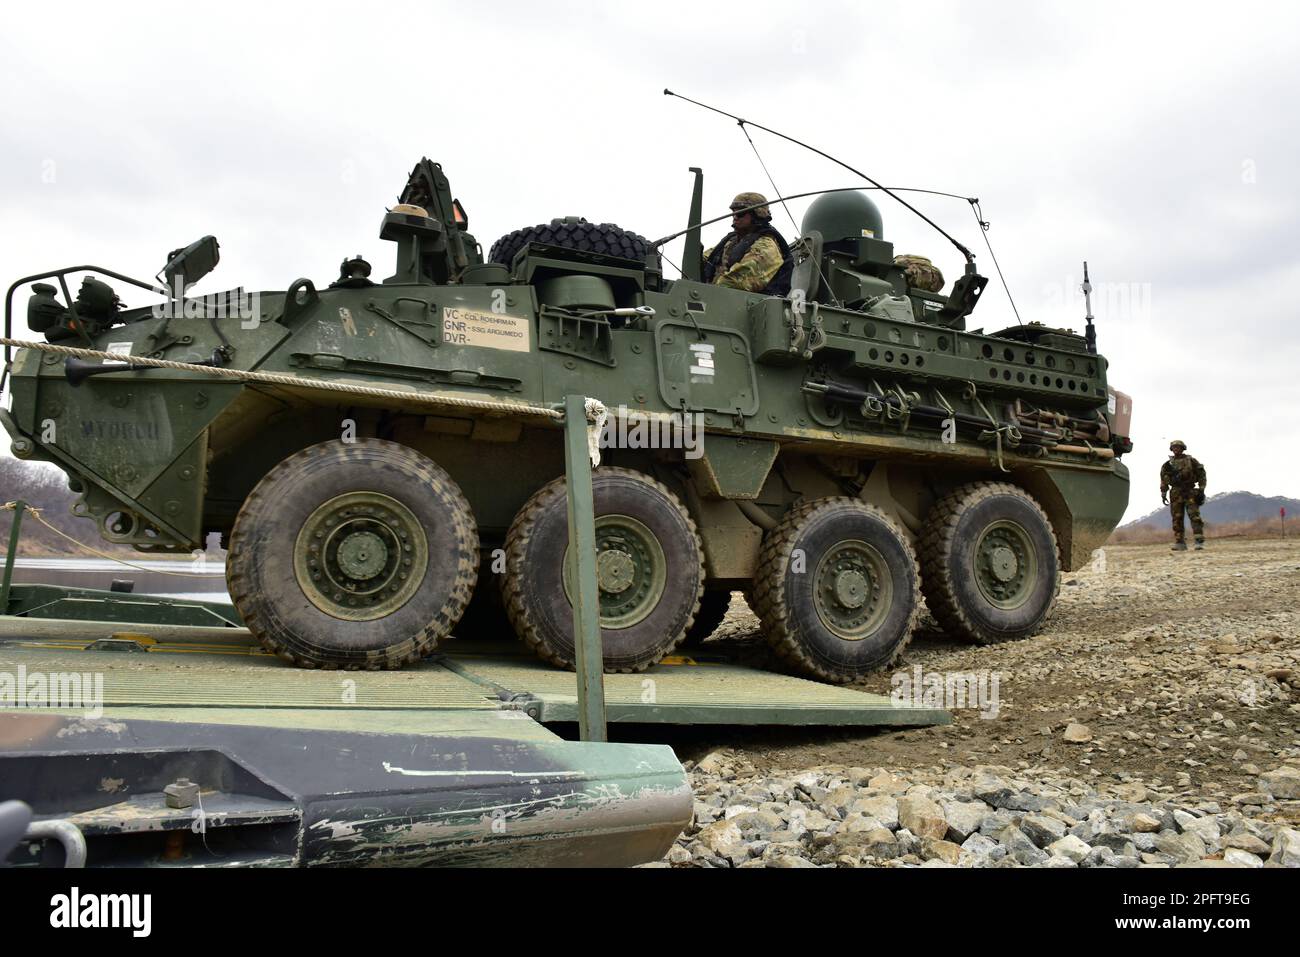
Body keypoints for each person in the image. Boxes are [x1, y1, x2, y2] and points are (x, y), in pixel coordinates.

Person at [702, 192, 794, 295]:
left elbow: (737, 282)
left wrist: (705, 294)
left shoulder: (767, 246)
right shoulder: (731, 242)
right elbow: (705, 258)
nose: (735, 217)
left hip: (749, 307)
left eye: (740, 213)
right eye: (733, 212)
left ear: (757, 214)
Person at [1160, 439, 1207, 551]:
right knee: (1177, 518)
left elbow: (1201, 474)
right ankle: (1180, 542)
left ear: (1183, 448)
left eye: (1178, 447)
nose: (1176, 449)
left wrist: (1201, 489)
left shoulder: (1191, 461)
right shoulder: (1167, 465)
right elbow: (1163, 480)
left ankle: (1198, 541)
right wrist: (1163, 493)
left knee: (1194, 516)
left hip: (1189, 491)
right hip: (1175, 493)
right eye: (1174, 447)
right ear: (1171, 449)